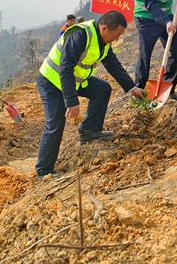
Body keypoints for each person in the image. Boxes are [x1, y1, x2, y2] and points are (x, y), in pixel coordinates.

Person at [35, 11, 145, 178]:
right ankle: (44, 170)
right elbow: (65, 68)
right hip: (51, 81)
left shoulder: (103, 41)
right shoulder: (80, 35)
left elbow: (113, 65)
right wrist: (71, 101)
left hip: (74, 80)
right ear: (105, 28)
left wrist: (132, 88)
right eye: (116, 35)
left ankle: (89, 132)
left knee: (102, 89)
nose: (117, 39)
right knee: (55, 123)